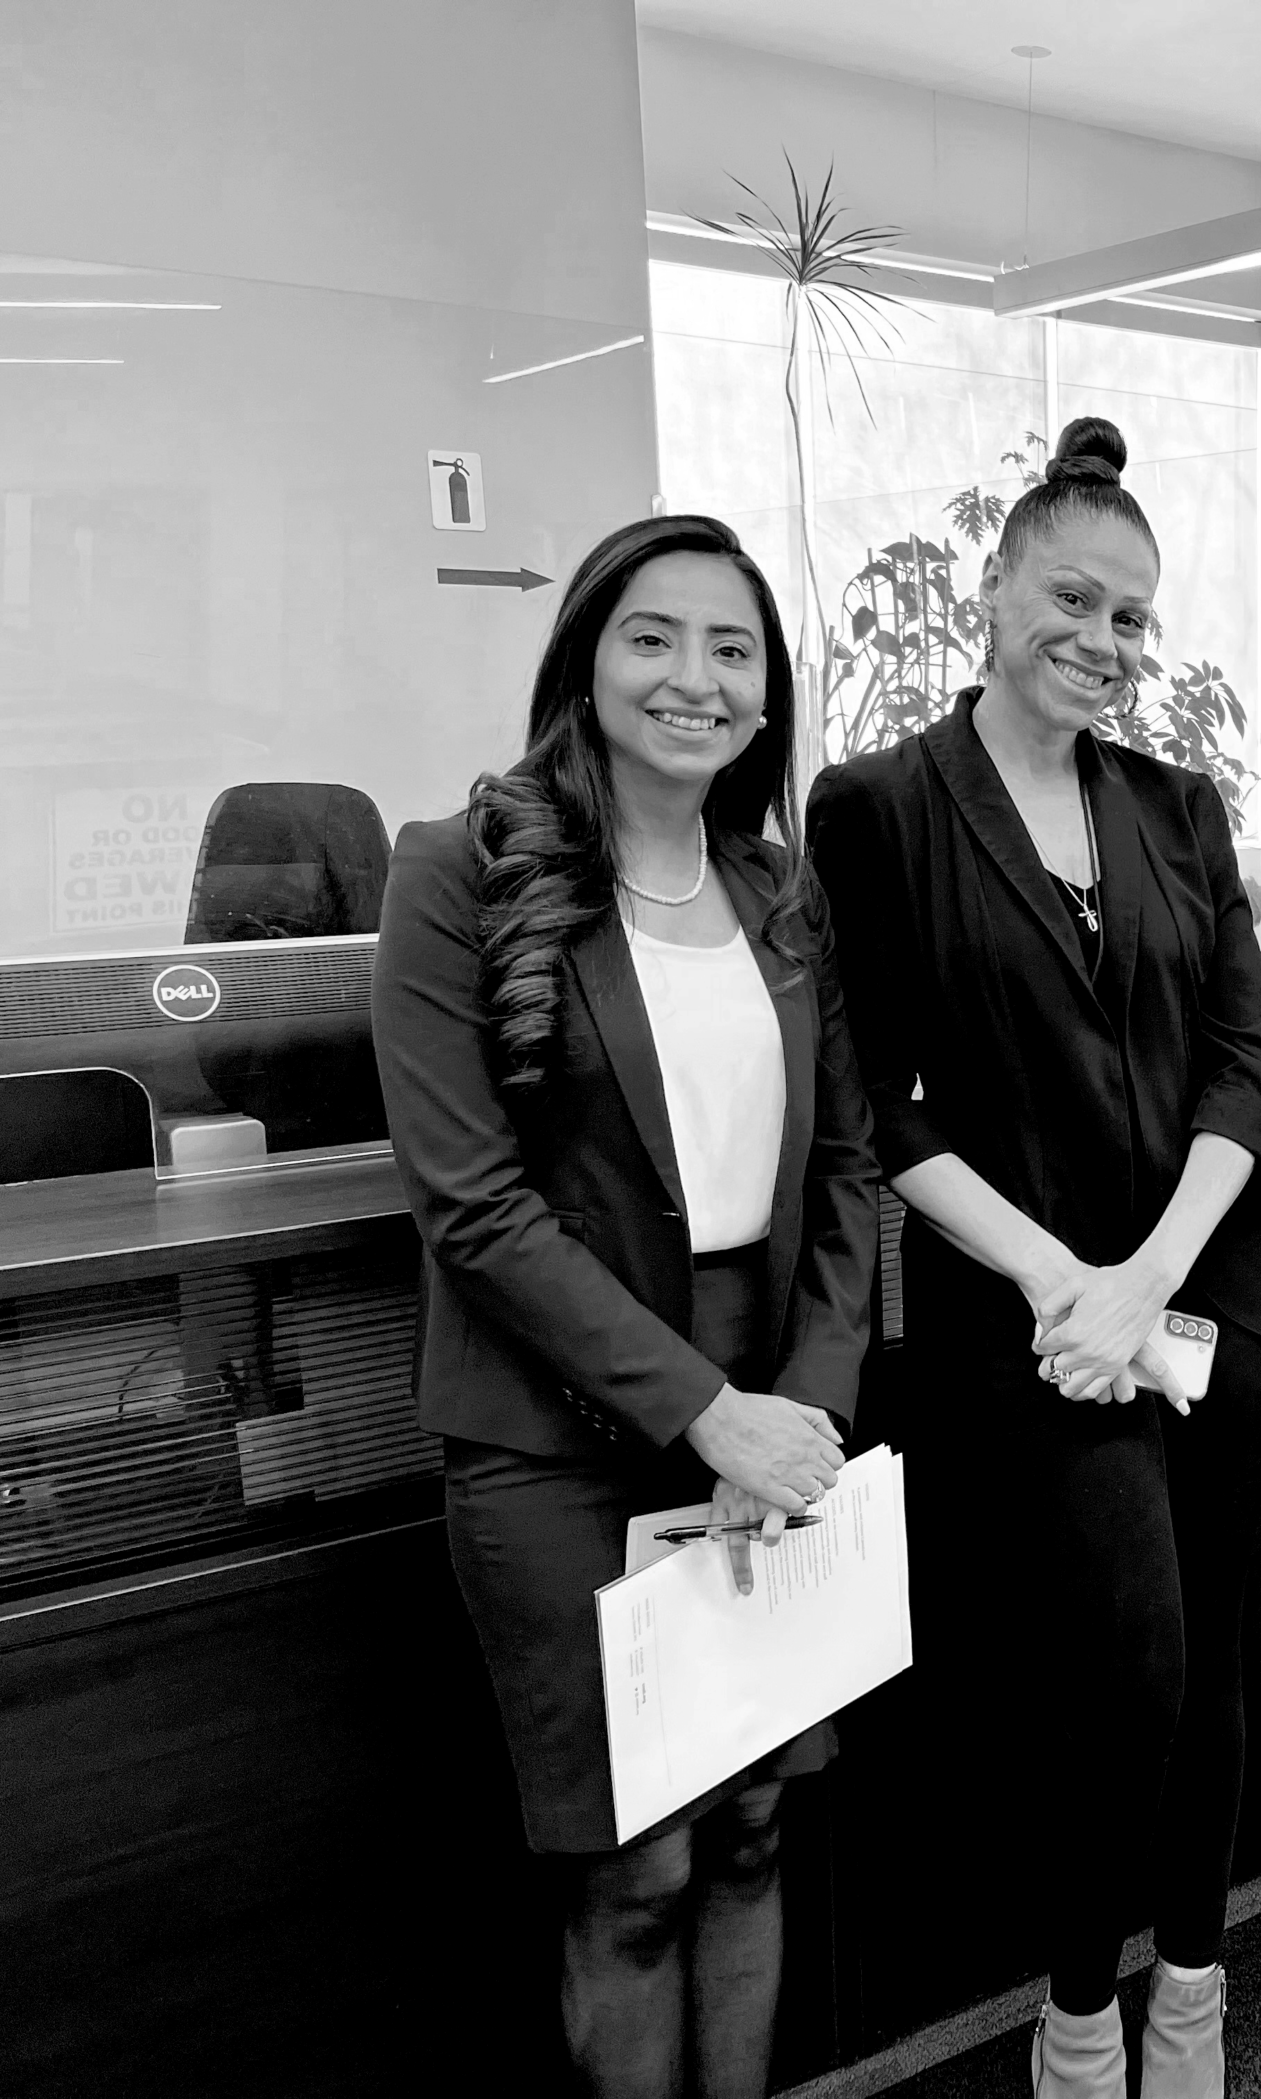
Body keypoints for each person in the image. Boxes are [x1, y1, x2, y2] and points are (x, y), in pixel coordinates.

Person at [806, 418, 1261, 2099]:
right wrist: (1063, 1283)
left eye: (1132, 618)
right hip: (1030, 1317)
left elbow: (1248, 1061)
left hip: (1210, 1292)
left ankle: (1194, 1985)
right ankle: (1078, 2005)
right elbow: (879, 1096)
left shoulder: (1178, 805)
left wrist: (1150, 1272)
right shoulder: (880, 804)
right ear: (997, 583)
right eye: (1074, 597)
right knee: (1127, 1663)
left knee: (1214, 1655)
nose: (1102, 642)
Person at [371, 515, 876, 2099]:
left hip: (770, 1426)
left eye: (733, 648)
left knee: (749, 1831)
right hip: (556, 1442)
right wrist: (703, 1411)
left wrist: (803, 1407)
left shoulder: (781, 895)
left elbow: (848, 1172)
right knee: (636, 1870)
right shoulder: (456, 873)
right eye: (653, 636)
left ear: (767, 694)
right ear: (586, 659)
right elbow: (475, 1206)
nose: (694, 677)